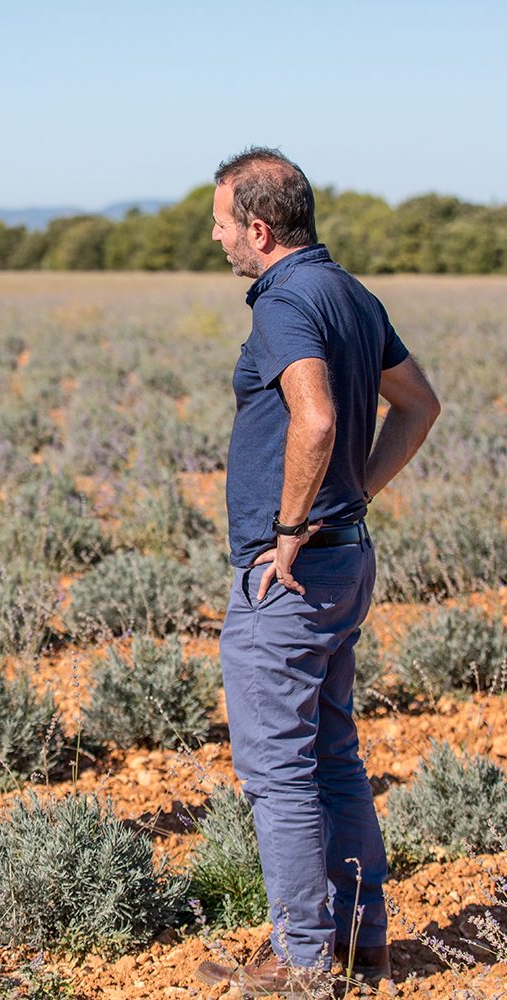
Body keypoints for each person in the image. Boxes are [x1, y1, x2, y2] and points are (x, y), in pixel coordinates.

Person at [195, 147, 440, 995]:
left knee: (278, 769)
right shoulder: (350, 293)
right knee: (331, 749)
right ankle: (362, 938)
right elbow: (420, 403)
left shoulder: (286, 302)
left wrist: (293, 527)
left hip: (295, 575)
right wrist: (354, 494)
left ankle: (302, 960)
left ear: (258, 229)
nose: (217, 236)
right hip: (347, 562)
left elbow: (317, 413)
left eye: (223, 222)